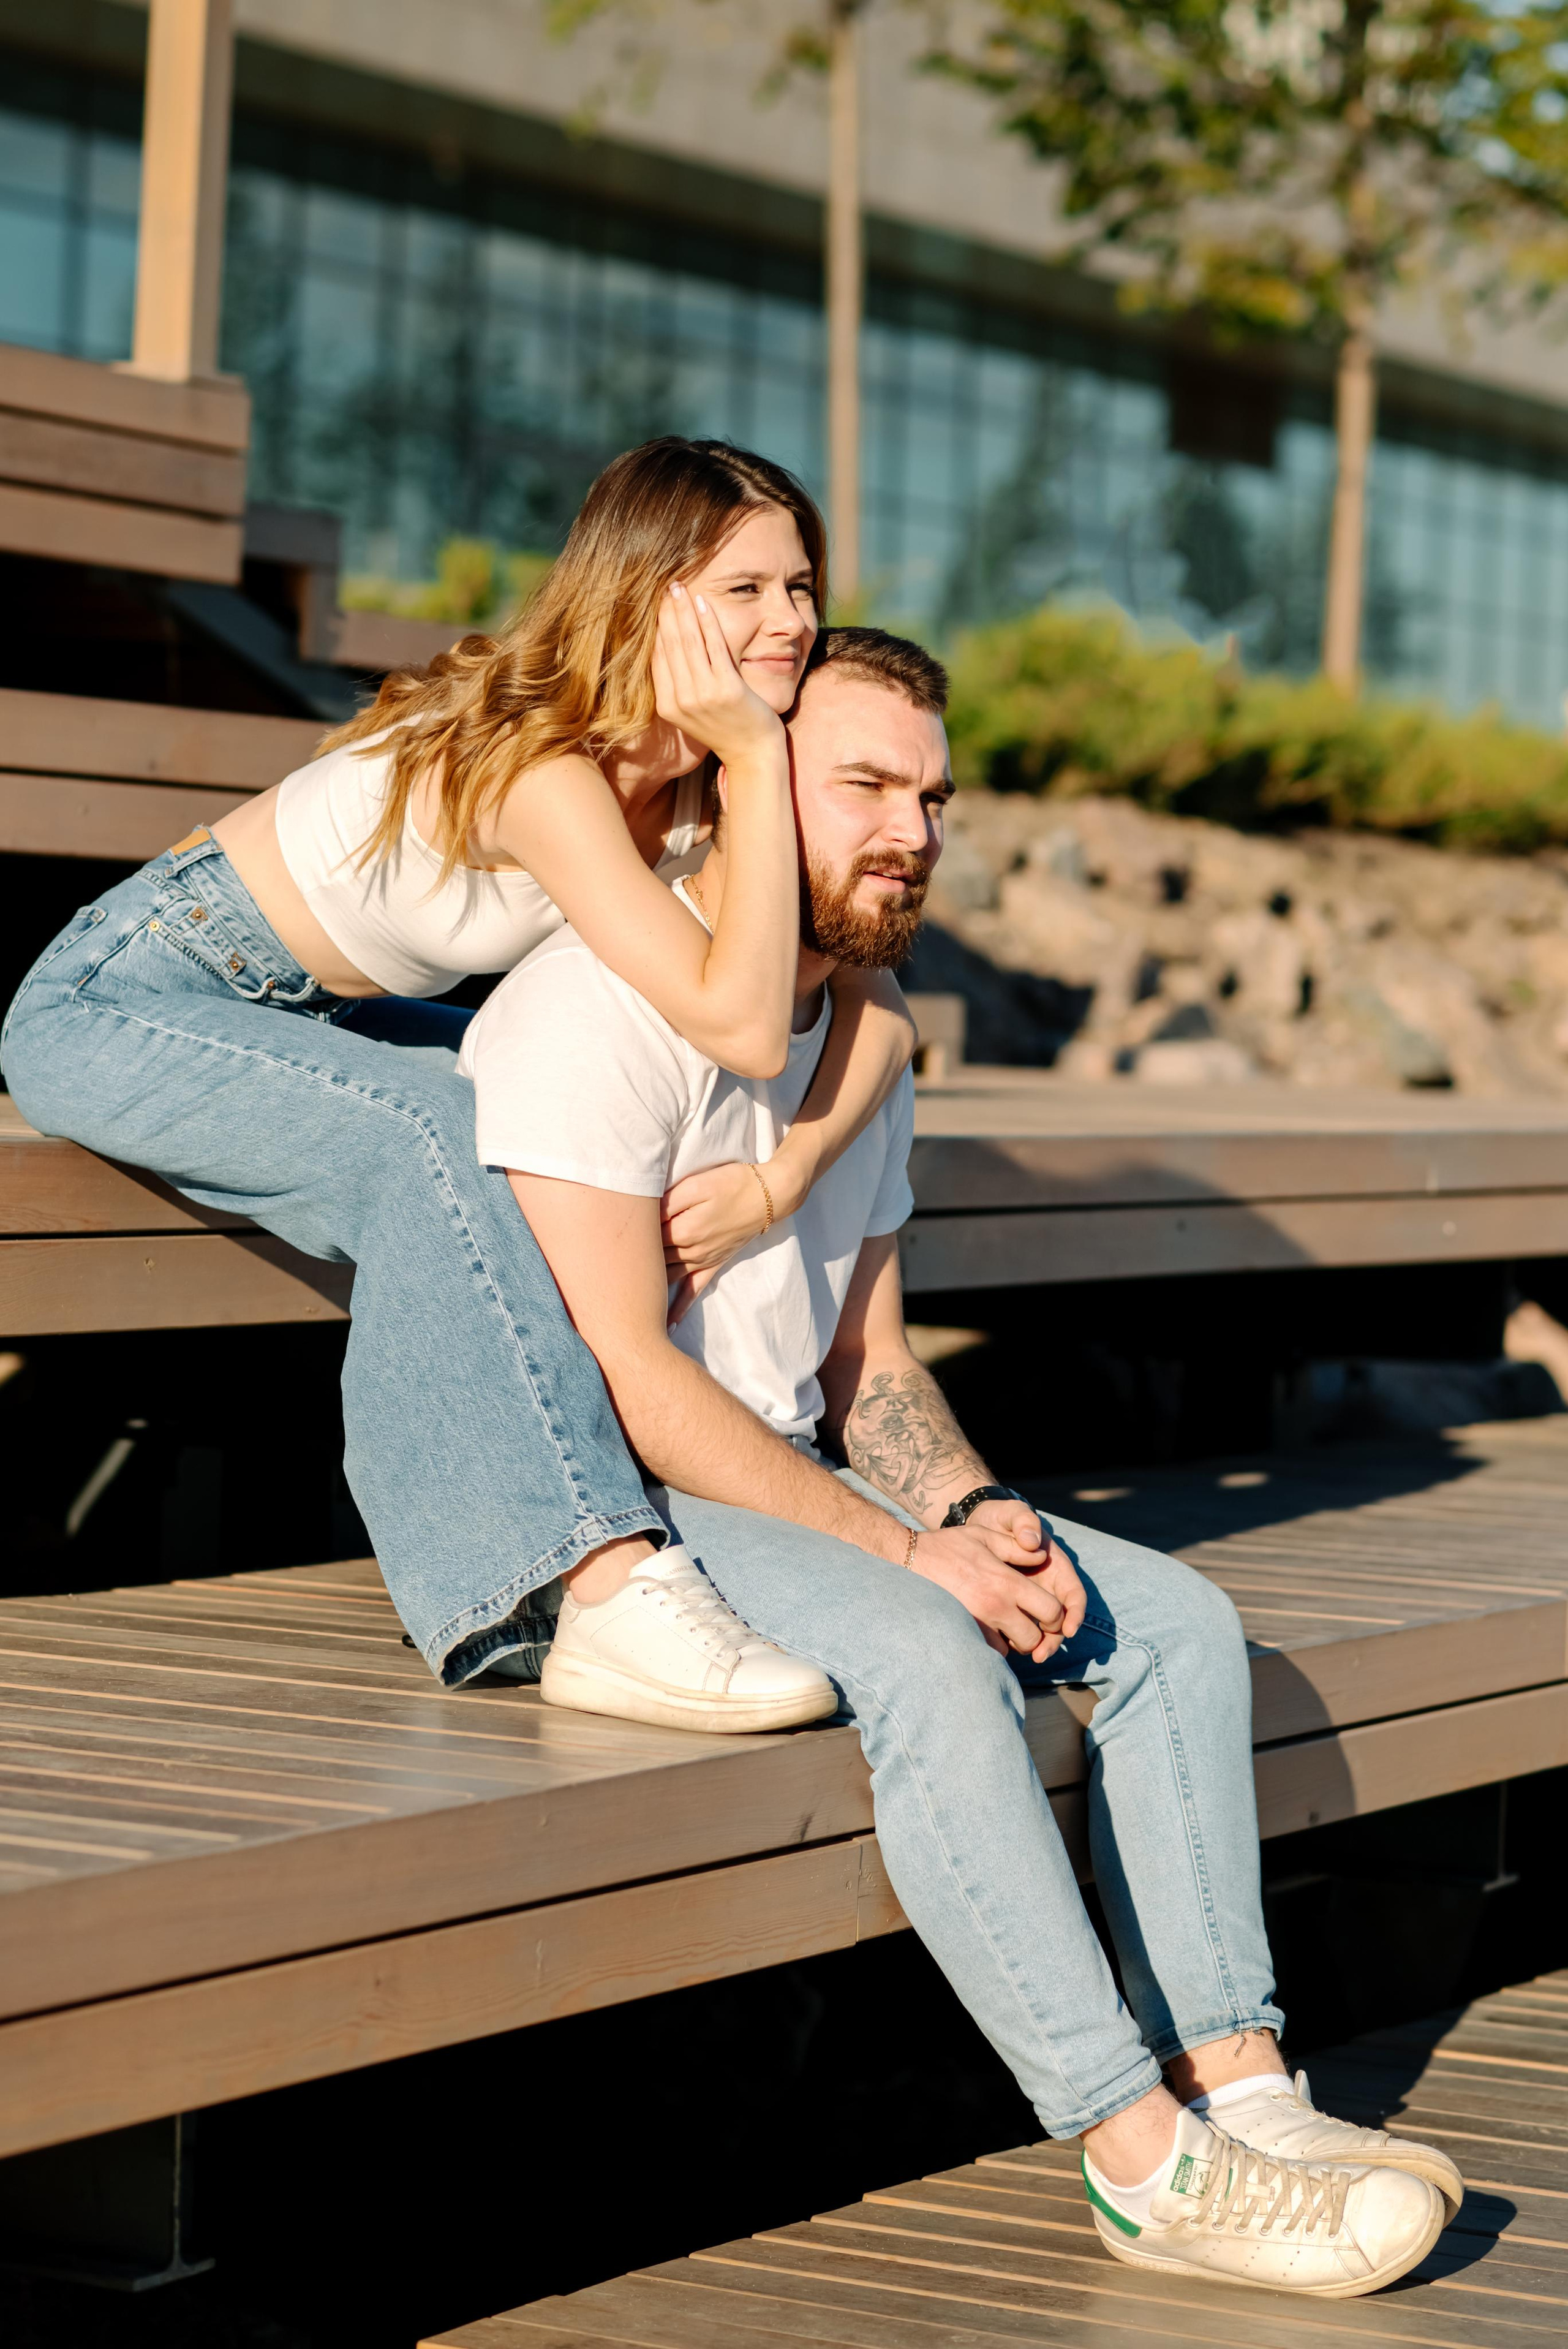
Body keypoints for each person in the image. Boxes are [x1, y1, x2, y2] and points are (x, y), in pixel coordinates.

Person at [458, 624, 1465, 2299]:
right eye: (863, 784)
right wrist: (911, 1562)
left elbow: (871, 1365)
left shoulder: (856, 1041)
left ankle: (1247, 2099)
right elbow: (624, 1385)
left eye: (933, 794)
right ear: (740, 778)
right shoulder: (587, 1011)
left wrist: (977, 1507)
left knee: (1170, 1629)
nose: (912, 830)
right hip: (631, 1518)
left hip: (796, 1468)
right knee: (937, 1657)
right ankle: (1137, 2157)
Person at [0, 441, 908, 1714]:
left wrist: (782, 1178)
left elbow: (873, 1007)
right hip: (130, 994)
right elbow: (745, 1029)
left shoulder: (699, 781)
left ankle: (682, 1472)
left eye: (801, 587)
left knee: (552, 1127)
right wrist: (758, 762)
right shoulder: (558, 768)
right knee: (433, 1129)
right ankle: (585, 1582)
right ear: (649, 593)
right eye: (743, 588)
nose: (789, 621)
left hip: (324, 1021)